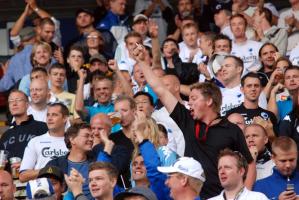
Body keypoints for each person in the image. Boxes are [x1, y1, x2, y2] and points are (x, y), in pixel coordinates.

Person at [132, 44, 255, 199]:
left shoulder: (231, 129)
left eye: (194, 99)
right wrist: (143, 62)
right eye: (189, 99)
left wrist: (245, 195)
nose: (189, 103)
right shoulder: (188, 121)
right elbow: (161, 90)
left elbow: (250, 164)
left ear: (209, 101)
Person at [19, 102, 69, 183]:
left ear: (65, 118)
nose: (49, 118)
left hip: (68, 190)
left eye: (54, 115)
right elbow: (23, 176)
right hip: (42, 191)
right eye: (48, 115)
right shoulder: (35, 141)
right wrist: (47, 170)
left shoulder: (74, 142)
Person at [46, 123, 94, 199]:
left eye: (92, 136)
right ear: (72, 139)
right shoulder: (55, 164)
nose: (91, 139)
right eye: (86, 136)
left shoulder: (96, 163)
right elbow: (48, 192)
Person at [0, 90, 48, 161]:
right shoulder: (6, 135)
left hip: (33, 171)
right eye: (11, 101)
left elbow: (49, 155)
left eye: (18, 100)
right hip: (10, 171)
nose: (14, 103)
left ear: (27, 105)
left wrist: (25, 165)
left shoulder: (42, 127)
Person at [226, 72, 277, 138]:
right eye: (249, 86)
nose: (253, 89)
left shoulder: (270, 116)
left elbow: (276, 145)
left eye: (256, 86)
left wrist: (269, 132)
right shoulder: (231, 114)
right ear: (242, 89)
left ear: (261, 89)